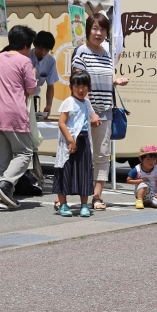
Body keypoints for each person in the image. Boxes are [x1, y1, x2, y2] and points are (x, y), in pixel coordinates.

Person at [72, 13, 129, 211]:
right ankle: (71, 194)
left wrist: (116, 80)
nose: (99, 33)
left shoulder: (106, 53)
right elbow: (78, 84)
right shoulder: (81, 52)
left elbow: (108, 74)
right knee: (81, 155)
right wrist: (90, 112)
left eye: (102, 29)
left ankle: (97, 196)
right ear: (88, 30)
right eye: (95, 28)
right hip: (84, 112)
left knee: (103, 155)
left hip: (105, 110)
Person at [0, 25, 37, 209]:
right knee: (24, 152)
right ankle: (5, 184)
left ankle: (3, 200)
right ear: (25, 45)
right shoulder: (24, 61)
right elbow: (31, 89)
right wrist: (34, 77)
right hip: (13, 113)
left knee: (2, 159)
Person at [53, 71, 100, 217]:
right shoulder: (68, 101)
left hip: (84, 140)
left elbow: (91, 116)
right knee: (65, 170)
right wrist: (70, 141)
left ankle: (84, 205)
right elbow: (61, 122)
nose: (80, 90)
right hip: (70, 141)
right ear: (71, 87)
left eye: (84, 86)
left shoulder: (87, 102)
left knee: (84, 172)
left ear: (89, 87)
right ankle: (63, 204)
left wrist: (95, 120)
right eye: (77, 86)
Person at [127, 145, 157, 209]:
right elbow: (128, 180)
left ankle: (148, 202)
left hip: (153, 193)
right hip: (141, 191)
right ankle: (139, 200)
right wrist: (140, 180)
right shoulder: (137, 169)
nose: (151, 162)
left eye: (154, 159)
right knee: (144, 184)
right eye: (148, 159)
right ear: (141, 159)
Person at [28, 31, 58, 116]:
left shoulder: (50, 61)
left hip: (34, 96)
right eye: (40, 49)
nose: (43, 52)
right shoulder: (26, 56)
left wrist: (48, 106)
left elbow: (50, 85)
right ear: (35, 45)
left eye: (47, 50)